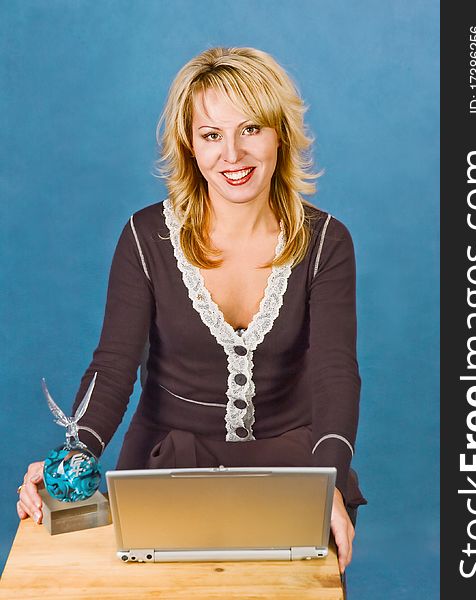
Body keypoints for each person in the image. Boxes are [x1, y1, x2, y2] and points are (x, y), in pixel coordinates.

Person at [16, 46, 366, 576]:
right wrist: (75, 454)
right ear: (190, 147)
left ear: (280, 135)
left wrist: (331, 482)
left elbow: (336, 372)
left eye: (251, 129)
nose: (232, 154)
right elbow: (113, 367)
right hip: (165, 468)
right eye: (211, 135)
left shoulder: (327, 242)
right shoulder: (143, 236)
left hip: (295, 473)